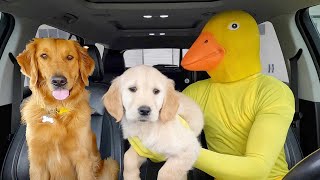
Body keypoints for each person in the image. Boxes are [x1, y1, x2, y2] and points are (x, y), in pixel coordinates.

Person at [180, 10, 294, 180]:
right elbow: (164, 135)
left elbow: (257, 169)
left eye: (233, 27)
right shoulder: (194, 92)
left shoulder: (272, 90)